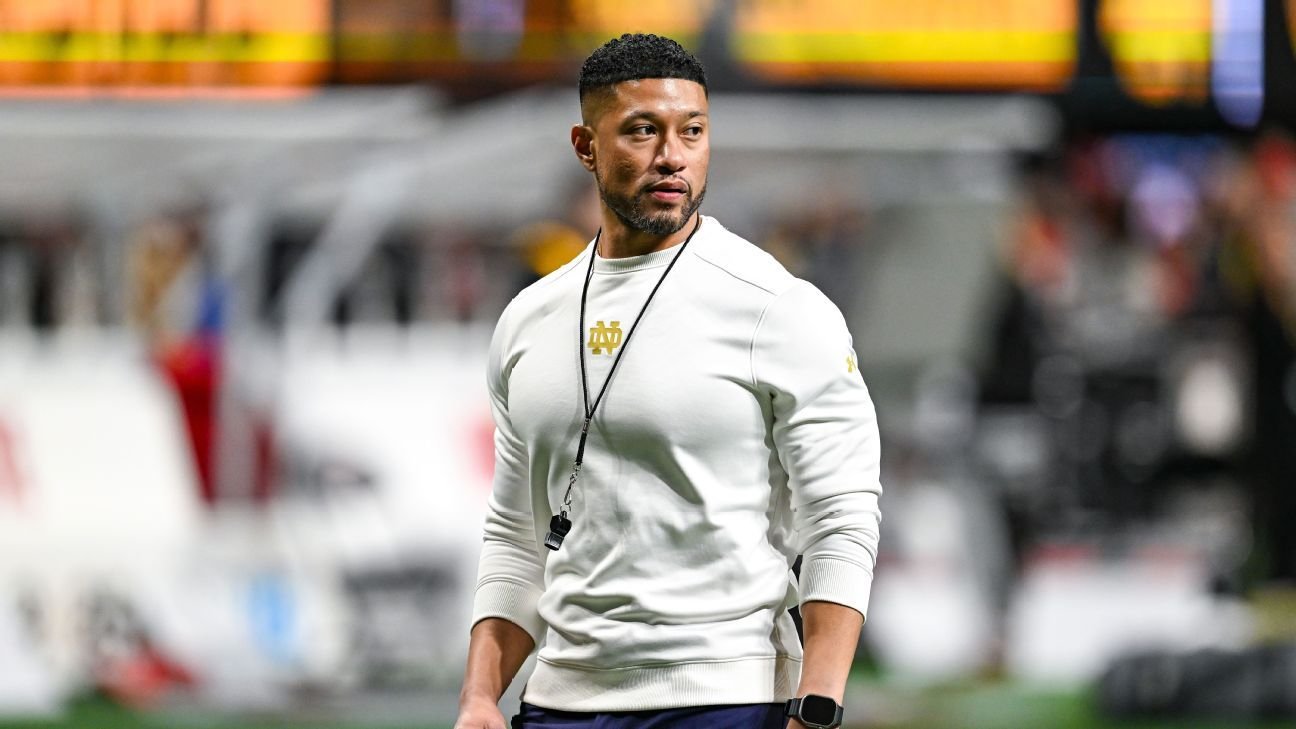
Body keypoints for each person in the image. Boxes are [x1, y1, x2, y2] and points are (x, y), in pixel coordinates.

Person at [456, 33, 883, 729]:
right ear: (585, 146)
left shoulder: (778, 308)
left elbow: (841, 517)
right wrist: (479, 697)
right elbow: (515, 535)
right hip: (559, 703)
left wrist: (818, 704)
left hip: (728, 700)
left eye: (692, 131)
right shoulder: (528, 319)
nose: (672, 156)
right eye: (642, 131)